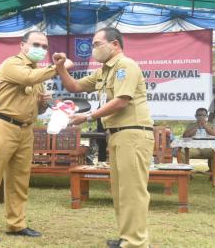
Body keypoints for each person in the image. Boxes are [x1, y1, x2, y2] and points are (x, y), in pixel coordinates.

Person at [0, 31, 72, 244]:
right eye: (36, 44)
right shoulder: (12, 64)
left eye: (45, 47)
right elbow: (27, 78)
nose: (41, 49)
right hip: (2, 124)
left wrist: (44, 103)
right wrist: (59, 68)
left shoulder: (38, 74)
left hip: (25, 128)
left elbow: (38, 107)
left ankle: (16, 224)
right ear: (22, 44)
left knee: (19, 179)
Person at [55, 27, 154, 248]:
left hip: (133, 133)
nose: (93, 49)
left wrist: (88, 115)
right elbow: (74, 85)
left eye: (97, 44)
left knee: (133, 191)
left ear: (115, 44)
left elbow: (121, 100)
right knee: (121, 190)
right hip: (118, 135)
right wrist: (60, 68)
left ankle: (136, 242)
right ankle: (127, 237)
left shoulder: (125, 66)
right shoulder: (104, 71)